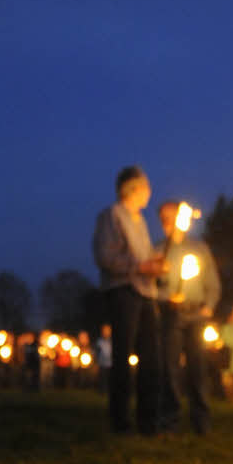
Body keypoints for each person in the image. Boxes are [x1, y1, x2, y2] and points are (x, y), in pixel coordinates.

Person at [92, 166, 166, 434]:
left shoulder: (140, 221)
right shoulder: (112, 216)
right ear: (133, 188)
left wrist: (155, 264)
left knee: (151, 358)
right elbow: (106, 258)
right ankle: (121, 422)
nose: (149, 191)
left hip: (146, 294)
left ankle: (149, 422)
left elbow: (143, 258)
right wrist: (140, 267)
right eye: (146, 186)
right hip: (123, 292)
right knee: (122, 358)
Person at [156, 201, 221, 434]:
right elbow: (151, 287)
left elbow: (212, 282)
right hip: (171, 316)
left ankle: (201, 422)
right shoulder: (158, 251)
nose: (168, 222)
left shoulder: (199, 249)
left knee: (198, 368)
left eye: (171, 216)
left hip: (196, 315)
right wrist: (165, 297)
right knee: (170, 369)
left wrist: (208, 307)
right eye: (163, 218)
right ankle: (170, 421)